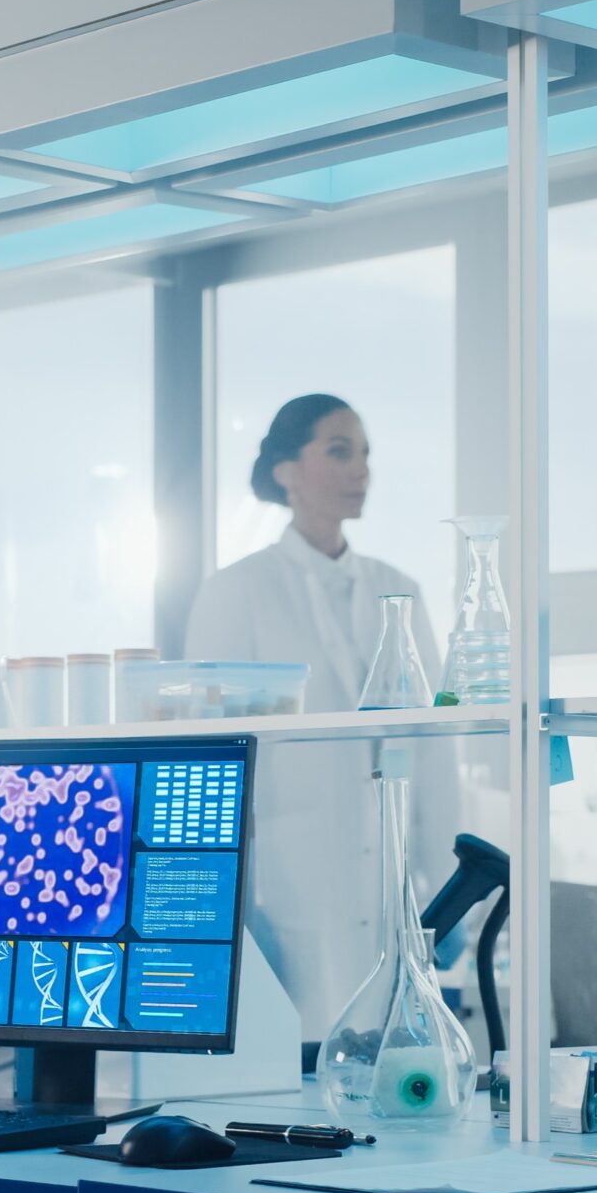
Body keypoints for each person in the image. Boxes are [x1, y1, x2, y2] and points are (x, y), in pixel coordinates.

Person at [185, 395, 458, 1037]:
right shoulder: (238, 591)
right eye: (339, 451)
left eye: (365, 454)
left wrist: (446, 887)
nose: (360, 469)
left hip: (390, 886)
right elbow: (211, 760)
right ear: (286, 469)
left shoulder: (401, 588)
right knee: (298, 1059)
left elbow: (435, 749)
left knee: (395, 1059)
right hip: (285, 883)